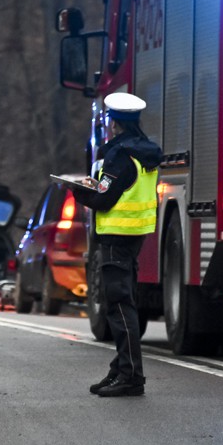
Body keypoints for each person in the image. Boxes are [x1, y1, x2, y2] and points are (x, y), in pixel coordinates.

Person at [67, 92, 161, 397]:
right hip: (135, 235)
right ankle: (120, 368)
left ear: (114, 123)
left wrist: (79, 192)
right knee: (125, 301)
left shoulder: (121, 155)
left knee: (118, 304)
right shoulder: (144, 151)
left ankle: (131, 375)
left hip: (114, 237)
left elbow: (105, 198)